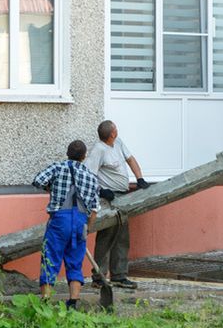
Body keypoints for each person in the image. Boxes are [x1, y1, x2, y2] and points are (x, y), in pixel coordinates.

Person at [32, 139, 100, 310]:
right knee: (75, 262)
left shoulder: (57, 167)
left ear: (68, 153)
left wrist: (52, 189)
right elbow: (94, 210)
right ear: (84, 157)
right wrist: (87, 228)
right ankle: (73, 302)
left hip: (59, 222)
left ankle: (46, 301)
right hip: (80, 223)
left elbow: (37, 180)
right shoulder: (92, 178)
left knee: (50, 258)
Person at [85, 120, 149, 290]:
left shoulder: (118, 143)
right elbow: (88, 175)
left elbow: (131, 159)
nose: (117, 131)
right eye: (116, 130)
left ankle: (119, 276)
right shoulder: (98, 150)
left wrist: (140, 178)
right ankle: (98, 277)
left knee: (122, 237)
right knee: (106, 237)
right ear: (112, 134)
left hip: (122, 197)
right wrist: (101, 191)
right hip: (108, 199)